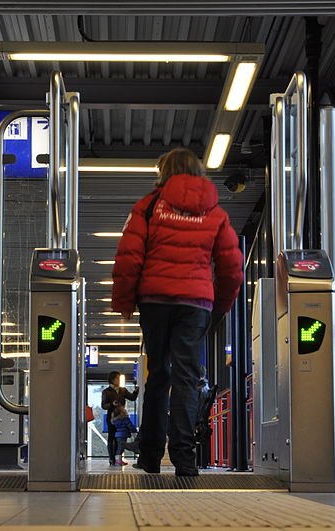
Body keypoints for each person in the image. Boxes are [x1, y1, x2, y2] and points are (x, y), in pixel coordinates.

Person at [112, 147, 243, 476]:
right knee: (187, 377)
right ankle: (184, 458)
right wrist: (221, 305)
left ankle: (151, 455)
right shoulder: (214, 212)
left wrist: (125, 300)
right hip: (195, 302)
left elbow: (129, 256)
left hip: (155, 300)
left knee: (159, 375)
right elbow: (231, 266)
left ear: (164, 171)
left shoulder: (149, 206)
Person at [101, 370, 139, 465]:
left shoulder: (123, 390)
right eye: (117, 378)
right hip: (112, 417)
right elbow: (103, 405)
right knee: (112, 437)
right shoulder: (106, 392)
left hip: (122, 416)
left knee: (121, 437)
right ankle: (112, 458)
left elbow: (132, 398)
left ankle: (118, 458)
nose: (118, 380)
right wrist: (112, 404)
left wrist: (136, 391)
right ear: (112, 380)